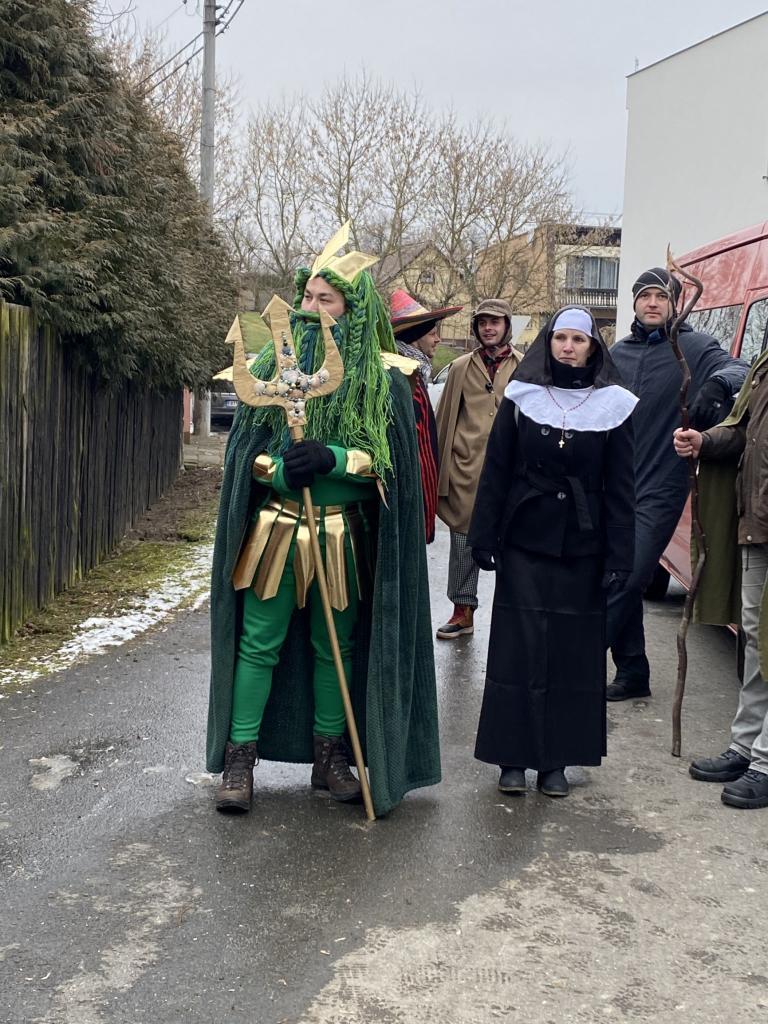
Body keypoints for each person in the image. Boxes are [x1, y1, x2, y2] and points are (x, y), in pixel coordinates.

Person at [206, 226, 441, 816]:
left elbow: (391, 468)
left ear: (351, 309)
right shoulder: (268, 367)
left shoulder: (384, 379)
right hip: (277, 531)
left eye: (326, 299)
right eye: (306, 297)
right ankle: (240, 759)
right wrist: (280, 470)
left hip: (341, 535)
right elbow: (244, 459)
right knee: (258, 644)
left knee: (335, 649)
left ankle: (330, 756)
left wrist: (334, 458)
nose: (311, 309)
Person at [468, 306, 637, 797]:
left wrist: (620, 554)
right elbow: (497, 468)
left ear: (592, 347)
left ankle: (556, 761)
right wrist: (483, 534)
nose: (568, 347)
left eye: (578, 340)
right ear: (548, 343)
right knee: (517, 648)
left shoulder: (614, 404)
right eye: (560, 338)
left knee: (570, 652)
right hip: (525, 537)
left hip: (584, 545)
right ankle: (512, 757)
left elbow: (621, 486)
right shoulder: (522, 396)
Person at [605, 267, 748, 701]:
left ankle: (575, 662)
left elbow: (741, 368)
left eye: (662, 296)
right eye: (645, 296)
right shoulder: (618, 352)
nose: (653, 303)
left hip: (663, 485)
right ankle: (633, 670)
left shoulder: (695, 347)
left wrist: (717, 384)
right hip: (615, 484)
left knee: (628, 576)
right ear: (634, 302)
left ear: (676, 304)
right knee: (620, 575)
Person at [673, 345, 768, 809]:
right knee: (754, 639)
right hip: (756, 525)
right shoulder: (765, 363)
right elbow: (746, 432)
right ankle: (746, 746)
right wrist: (706, 442)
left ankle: (765, 762)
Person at [434, 299, 522, 639]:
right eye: (483, 322)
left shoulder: (525, 367)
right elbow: (444, 422)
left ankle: (513, 616)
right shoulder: (460, 367)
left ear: (506, 326)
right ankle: (462, 611)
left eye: (495, 322)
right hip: (466, 469)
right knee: (463, 542)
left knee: (512, 543)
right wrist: (440, 474)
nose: (488, 328)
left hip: (510, 471)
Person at [390, 289, 463, 544]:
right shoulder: (400, 378)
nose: (438, 339)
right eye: (432, 333)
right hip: (407, 499)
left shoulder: (415, 373)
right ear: (414, 338)